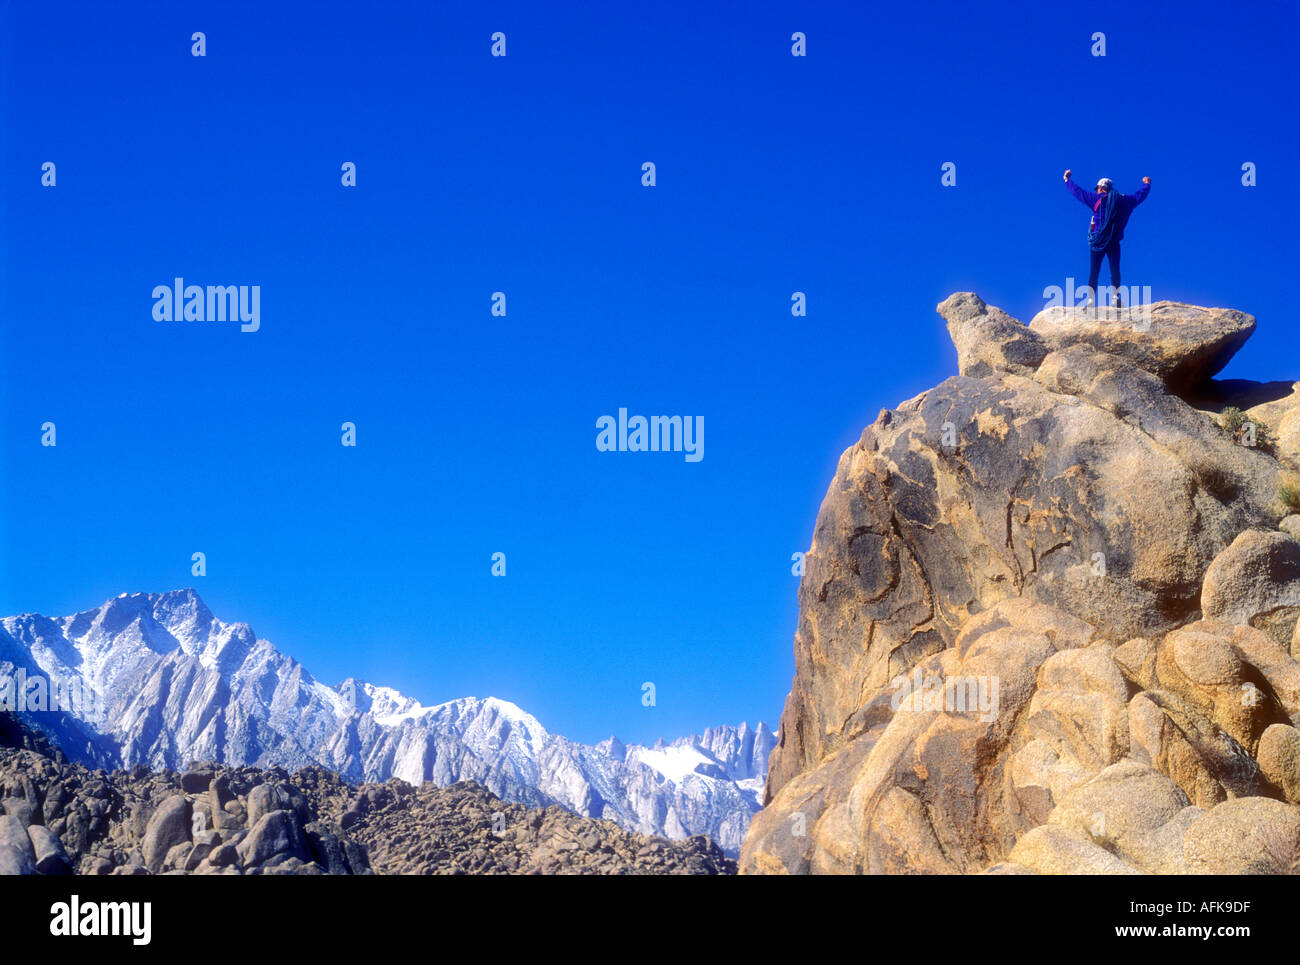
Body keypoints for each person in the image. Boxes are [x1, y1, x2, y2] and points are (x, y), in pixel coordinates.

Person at [1063, 169, 1151, 307]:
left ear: (1100, 188)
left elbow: (1078, 192)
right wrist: (1147, 185)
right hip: (1114, 241)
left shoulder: (1097, 199)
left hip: (1098, 240)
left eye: (1097, 189)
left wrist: (1067, 180)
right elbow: (1139, 196)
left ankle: (1091, 301)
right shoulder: (1124, 200)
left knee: (1094, 270)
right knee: (1115, 269)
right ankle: (1115, 298)